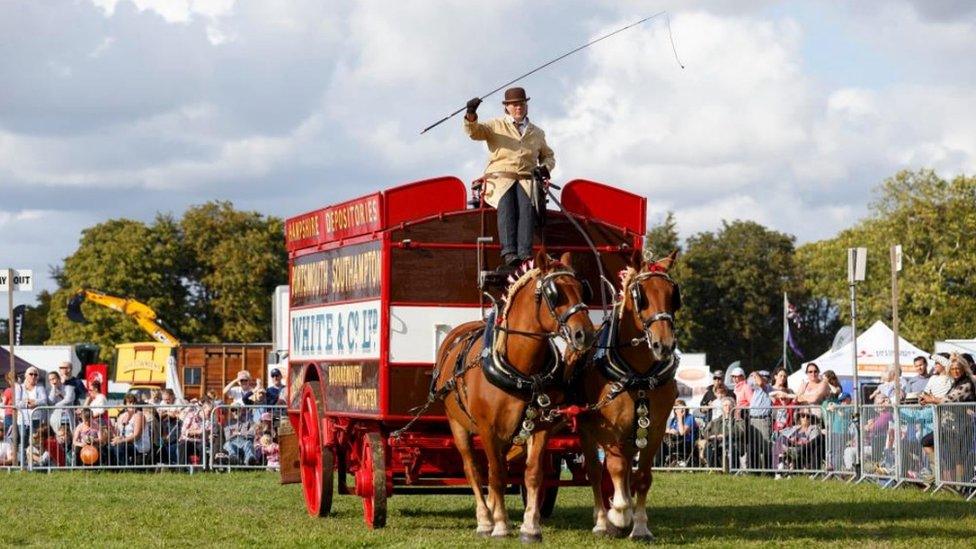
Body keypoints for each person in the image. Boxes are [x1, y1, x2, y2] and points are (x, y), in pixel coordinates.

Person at [464, 87, 555, 270]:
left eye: (521, 104)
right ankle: (509, 254)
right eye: (514, 105)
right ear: (506, 107)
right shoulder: (495, 125)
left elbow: (548, 156)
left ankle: (524, 254)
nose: (518, 108)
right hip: (500, 179)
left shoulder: (537, 132)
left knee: (526, 209)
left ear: (526, 106)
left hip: (526, 179)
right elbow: (474, 132)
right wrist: (471, 114)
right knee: (506, 204)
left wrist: (543, 169)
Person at [14, 366, 47, 463]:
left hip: (36, 419)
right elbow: (17, 403)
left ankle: (33, 463)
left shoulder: (40, 387)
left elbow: (44, 401)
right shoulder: (19, 387)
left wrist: (35, 402)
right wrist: (28, 405)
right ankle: (22, 464)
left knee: (34, 442)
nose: (33, 376)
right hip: (22, 420)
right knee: (23, 442)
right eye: (31, 374)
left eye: (35, 374)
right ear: (25, 375)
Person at [746, 371, 773, 469]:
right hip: (753, 420)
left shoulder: (768, 388)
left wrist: (755, 373)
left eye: (763, 376)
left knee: (766, 447)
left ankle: (768, 471)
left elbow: (761, 383)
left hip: (763, 420)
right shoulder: (756, 389)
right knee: (753, 448)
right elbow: (750, 383)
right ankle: (754, 471)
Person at [663, 400, 698, 466]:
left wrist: (680, 417)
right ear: (675, 410)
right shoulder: (673, 419)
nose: (682, 410)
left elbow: (682, 432)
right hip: (673, 443)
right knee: (660, 444)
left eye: (683, 408)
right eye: (679, 409)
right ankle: (658, 466)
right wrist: (671, 431)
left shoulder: (690, 418)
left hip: (686, 443)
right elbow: (666, 431)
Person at [768, 367, 796, 432]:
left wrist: (786, 395)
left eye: (785, 376)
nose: (783, 378)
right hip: (773, 420)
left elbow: (796, 397)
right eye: (781, 376)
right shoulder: (770, 388)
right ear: (775, 376)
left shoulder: (789, 390)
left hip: (787, 420)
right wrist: (779, 392)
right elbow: (769, 395)